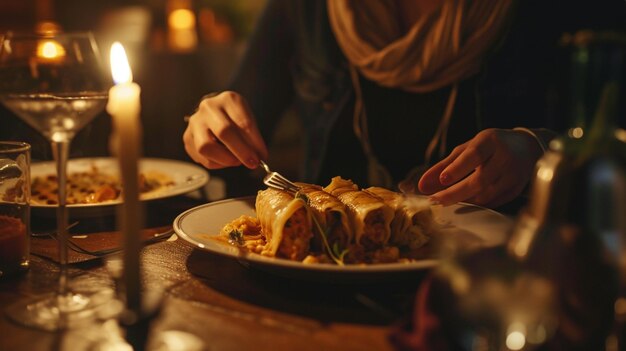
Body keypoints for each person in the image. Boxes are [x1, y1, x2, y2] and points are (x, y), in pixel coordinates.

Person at [183, 0, 625, 209]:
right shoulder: (307, 8)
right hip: (323, 278)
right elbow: (231, 109)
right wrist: (208, 121)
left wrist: (540, 150)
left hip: (496, 284)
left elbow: (613, 142)